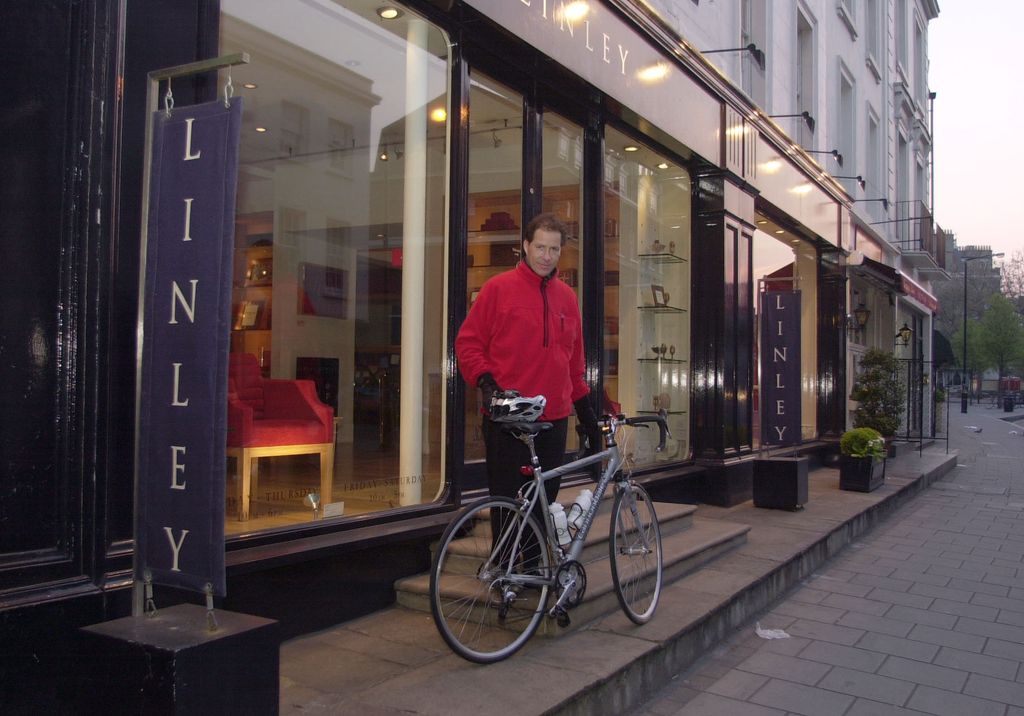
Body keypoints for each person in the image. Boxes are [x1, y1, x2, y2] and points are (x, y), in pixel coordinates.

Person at [455, 212, 601, 520]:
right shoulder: (498, 289)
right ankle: (502, 568)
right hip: (509, 412)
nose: (547, 256)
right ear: (525, 246)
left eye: (554, 249)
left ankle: (534, 570)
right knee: (507, 506)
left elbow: (574, 363)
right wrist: (485, 381)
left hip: (555, 416)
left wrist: (587, 415)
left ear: (561, 251)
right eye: (540, 247)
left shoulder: (567, 298)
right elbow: (467, 343)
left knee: (542, 507)